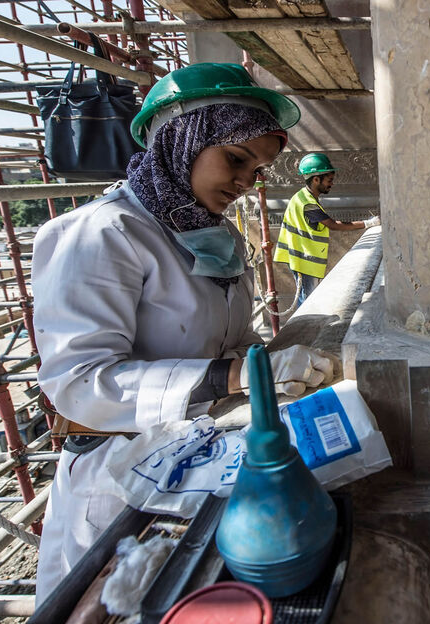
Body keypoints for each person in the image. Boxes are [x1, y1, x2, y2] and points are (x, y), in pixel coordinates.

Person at [30, 63, 335, 601]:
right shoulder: (102, 234)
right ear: (181, 138)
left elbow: (229, 339)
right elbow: (79, 384)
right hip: (114, 474)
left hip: (193, 456)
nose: (246, 182)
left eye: (258, 170)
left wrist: (263, 371)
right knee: (111, 603)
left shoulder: (213, 238)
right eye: (237, 159)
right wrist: (235, 376)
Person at [273, 152, 379, 308]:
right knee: (308, 302)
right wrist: (368, 224)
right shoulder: (308, 203)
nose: (332, 184)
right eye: (329, 180)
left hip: (301, 257)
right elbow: (334, 225)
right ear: (316, 179)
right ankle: (306, 331)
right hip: (302, 260)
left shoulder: (302, 197)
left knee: (308, 298)